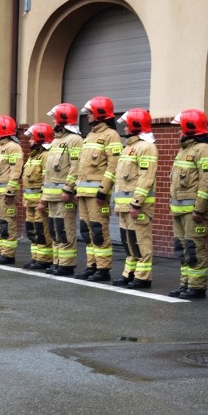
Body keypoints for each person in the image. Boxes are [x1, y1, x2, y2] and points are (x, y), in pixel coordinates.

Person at [168, 109, 208, 299]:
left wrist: (200, 208)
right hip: (179, 210)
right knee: (182, 248)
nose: (177, 132)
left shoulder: (204, 149)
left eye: (179, 127)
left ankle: (197, 287)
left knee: (194, 248)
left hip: (193, 212)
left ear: (189, 127)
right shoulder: (184, 150)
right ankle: (186, 284)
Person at [74, 96, 123, 282]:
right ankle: (92, 265)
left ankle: (103, 269)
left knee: (98, 230)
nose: (87, 116)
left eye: (90, 113)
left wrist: (104, 189)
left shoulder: (111, 135)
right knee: (87, 231)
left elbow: (113, 165)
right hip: (84, 193)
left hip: (97, 195)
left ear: (101, 114)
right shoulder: (90, 136)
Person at [112, 108, 158, 289]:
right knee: (128, 240)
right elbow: (120, 179)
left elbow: (145, 178)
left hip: (138, 206)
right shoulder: (129, 148)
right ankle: (129, 273)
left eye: (127, 125)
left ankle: (143, 277)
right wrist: (117, 202)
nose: (124, 129)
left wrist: (137, 203)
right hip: (125, 206)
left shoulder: (146, 148)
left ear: (136, 126)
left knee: (141, 242)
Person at [38, 103, 83, 276]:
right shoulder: (56, 141)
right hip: (51, 196)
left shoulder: (75, 140)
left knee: (65, 229)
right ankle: (57, 261)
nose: (52, 121)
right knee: (55, 228)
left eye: (55, 118)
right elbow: (48, 173)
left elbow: (75, 166)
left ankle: (66, 264)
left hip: (64, 196)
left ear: (63, 119)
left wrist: (68, 189)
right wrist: (44, 196)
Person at [0, 116, 23, 265]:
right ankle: (1, 252)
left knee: (7, 224)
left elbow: (16, 171)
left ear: (3, 130)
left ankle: (8, 255)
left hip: (5, 195)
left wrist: (10, 192)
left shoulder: (14, 147)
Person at [21, 122, 54, 270]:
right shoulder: (32, 156)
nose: (29, 141)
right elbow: (27, 181)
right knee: (32, 230)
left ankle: (45, 259)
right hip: (30, 202)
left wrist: (43, 201)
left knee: (42, 231)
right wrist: (24, 199)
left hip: (40, 203)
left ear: (40, 138)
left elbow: (47, 181)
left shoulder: (46, 156)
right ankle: (36, 257)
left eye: (32, 138)